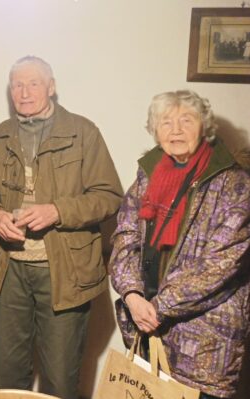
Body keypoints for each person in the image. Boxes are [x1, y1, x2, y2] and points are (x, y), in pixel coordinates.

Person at [0, 55, 123, 399]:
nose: (24, 93)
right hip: (8, 269)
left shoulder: (83, 132)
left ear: (52, 87)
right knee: (9, 376)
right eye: (17, 85)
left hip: (65, 273)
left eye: (34, 83)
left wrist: (57, 211)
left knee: (59, 378)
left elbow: (109, 196)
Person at [110, 90, 250, 399]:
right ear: (154, 130)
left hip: (205, 339)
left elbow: (222, 264)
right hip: (147, 323)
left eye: (186, 120)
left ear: (204, 127)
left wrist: (157, 308)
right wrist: (132, 295)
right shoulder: (148, 175)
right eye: (166, 122)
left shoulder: (235, 183)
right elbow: (124, 236)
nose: (176, 130)